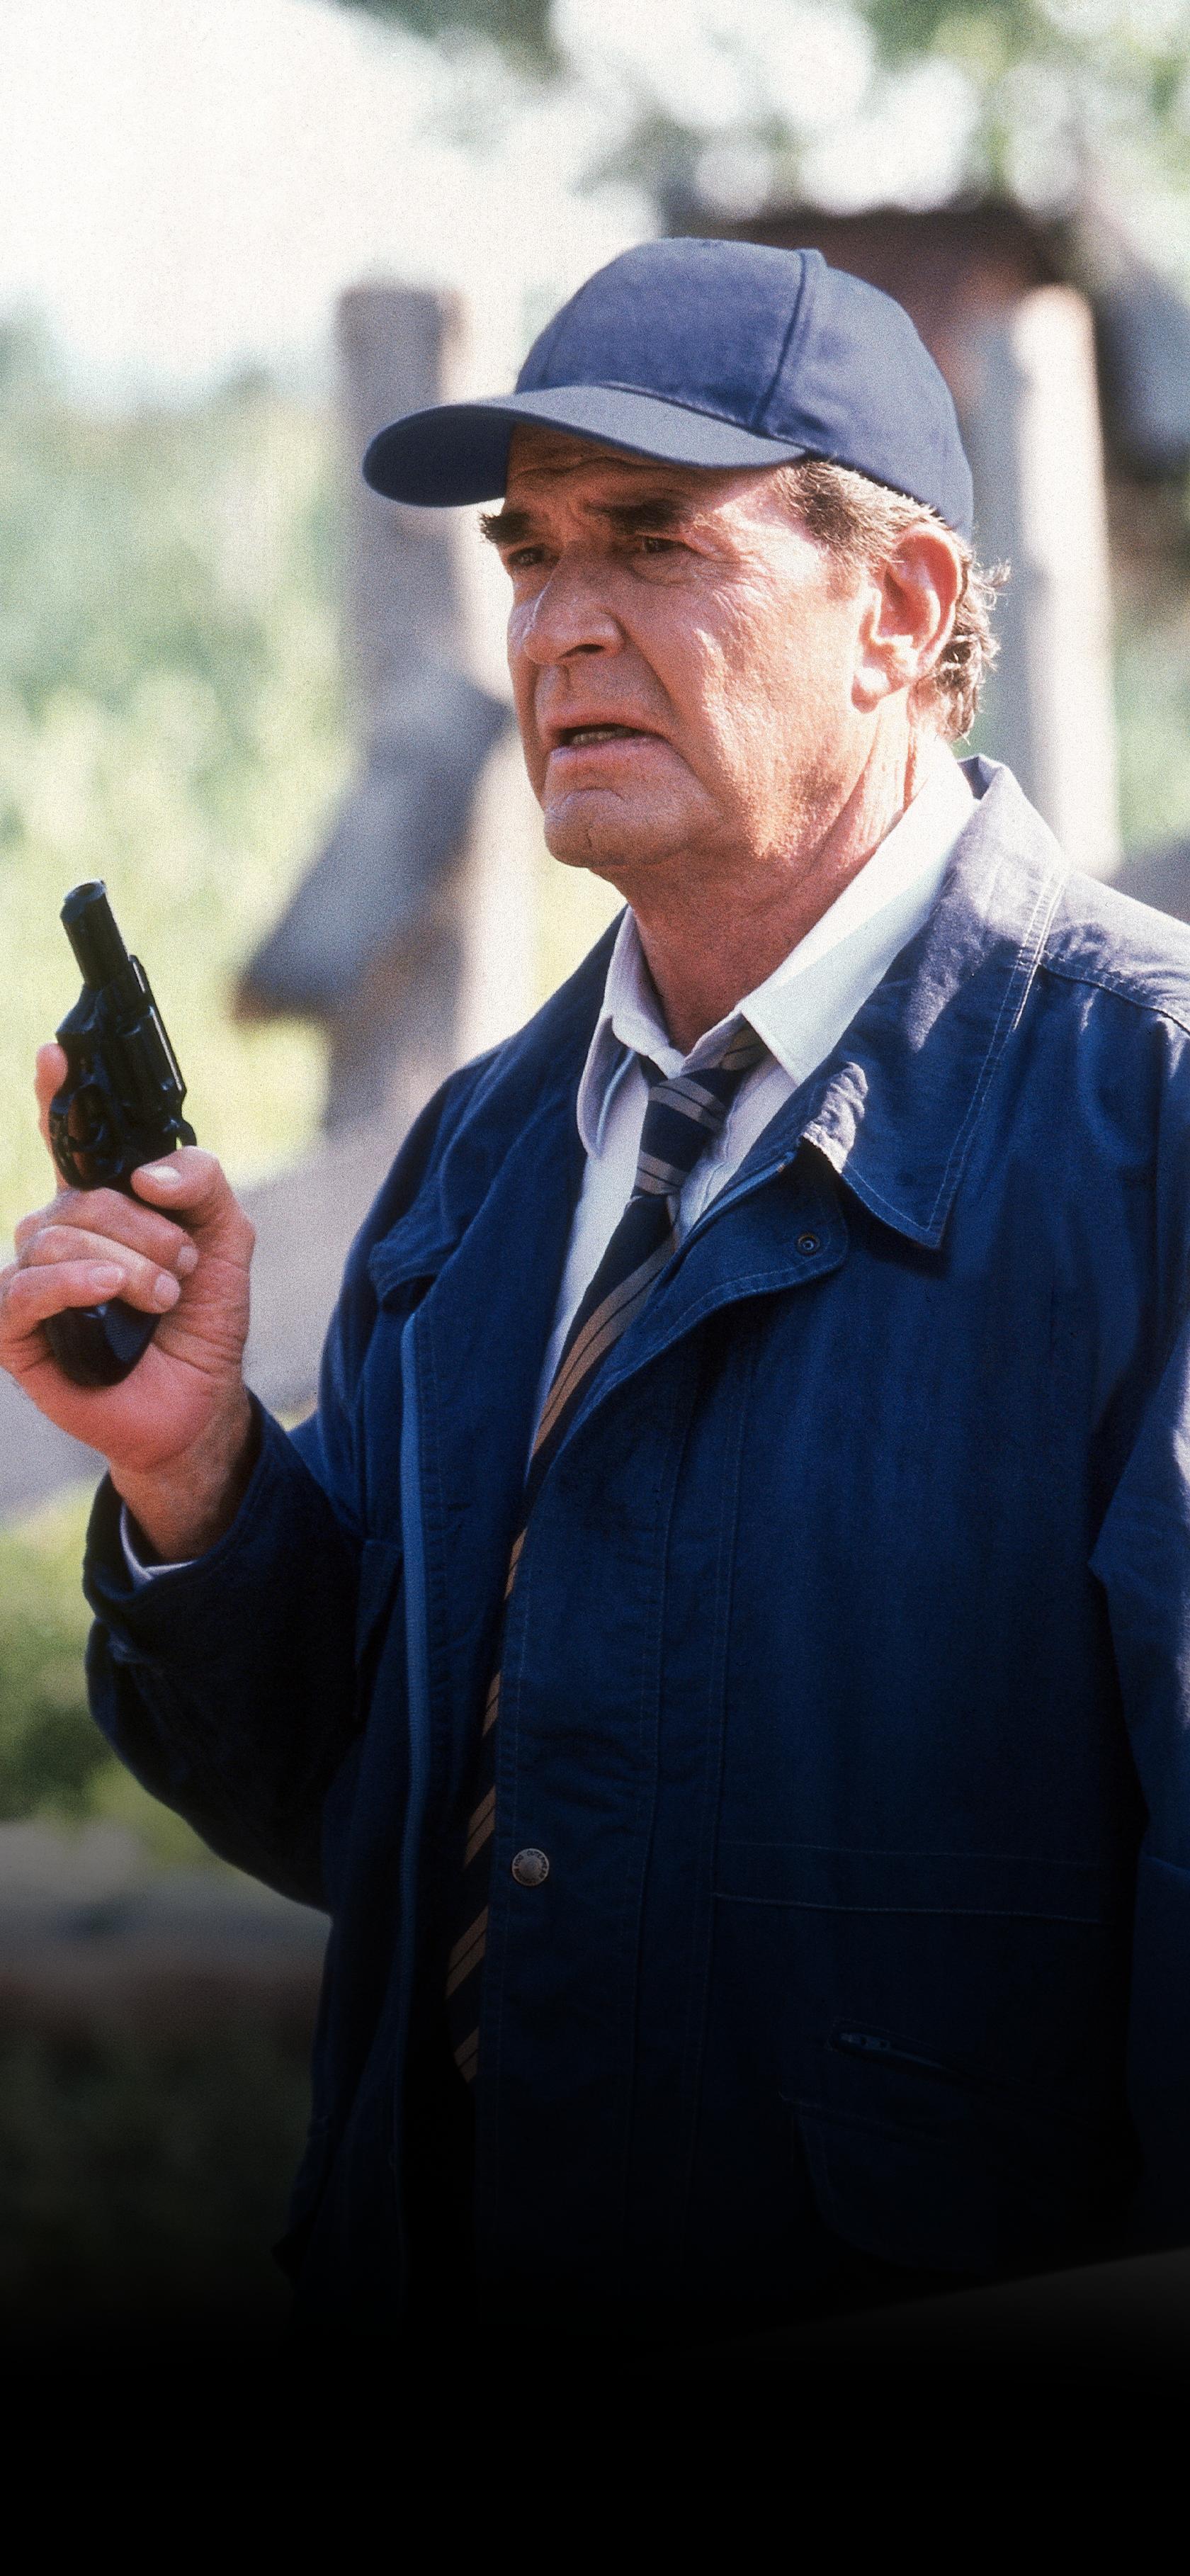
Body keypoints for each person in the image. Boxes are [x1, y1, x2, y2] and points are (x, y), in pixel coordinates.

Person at [5, 238, 1190, 2354]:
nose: (560, 624)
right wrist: (199, 1482)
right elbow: (369, 1815)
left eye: (651, 542)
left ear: (901, 610)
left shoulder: (1154, 1124)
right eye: (530, 552)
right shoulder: (486, 1155)